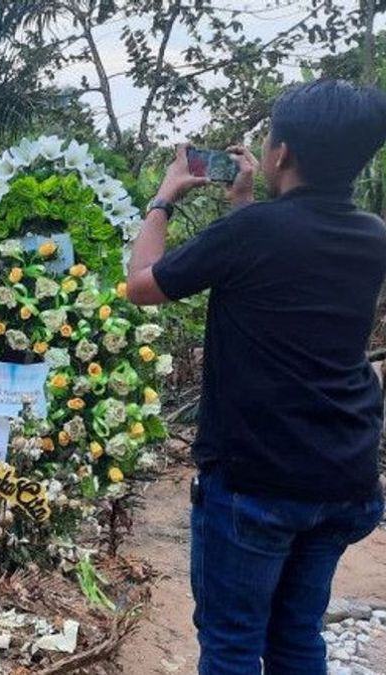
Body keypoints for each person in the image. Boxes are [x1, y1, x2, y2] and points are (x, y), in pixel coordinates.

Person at [125, 80, 386, 673]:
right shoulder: (372, 235)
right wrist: (246, 203)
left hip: (258, 480)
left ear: (281, 153)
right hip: (343, 477)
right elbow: (281, 263)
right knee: (297, 637)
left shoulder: (252, 233)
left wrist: (164, 197)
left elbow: (142, 286)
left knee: (234, 642)